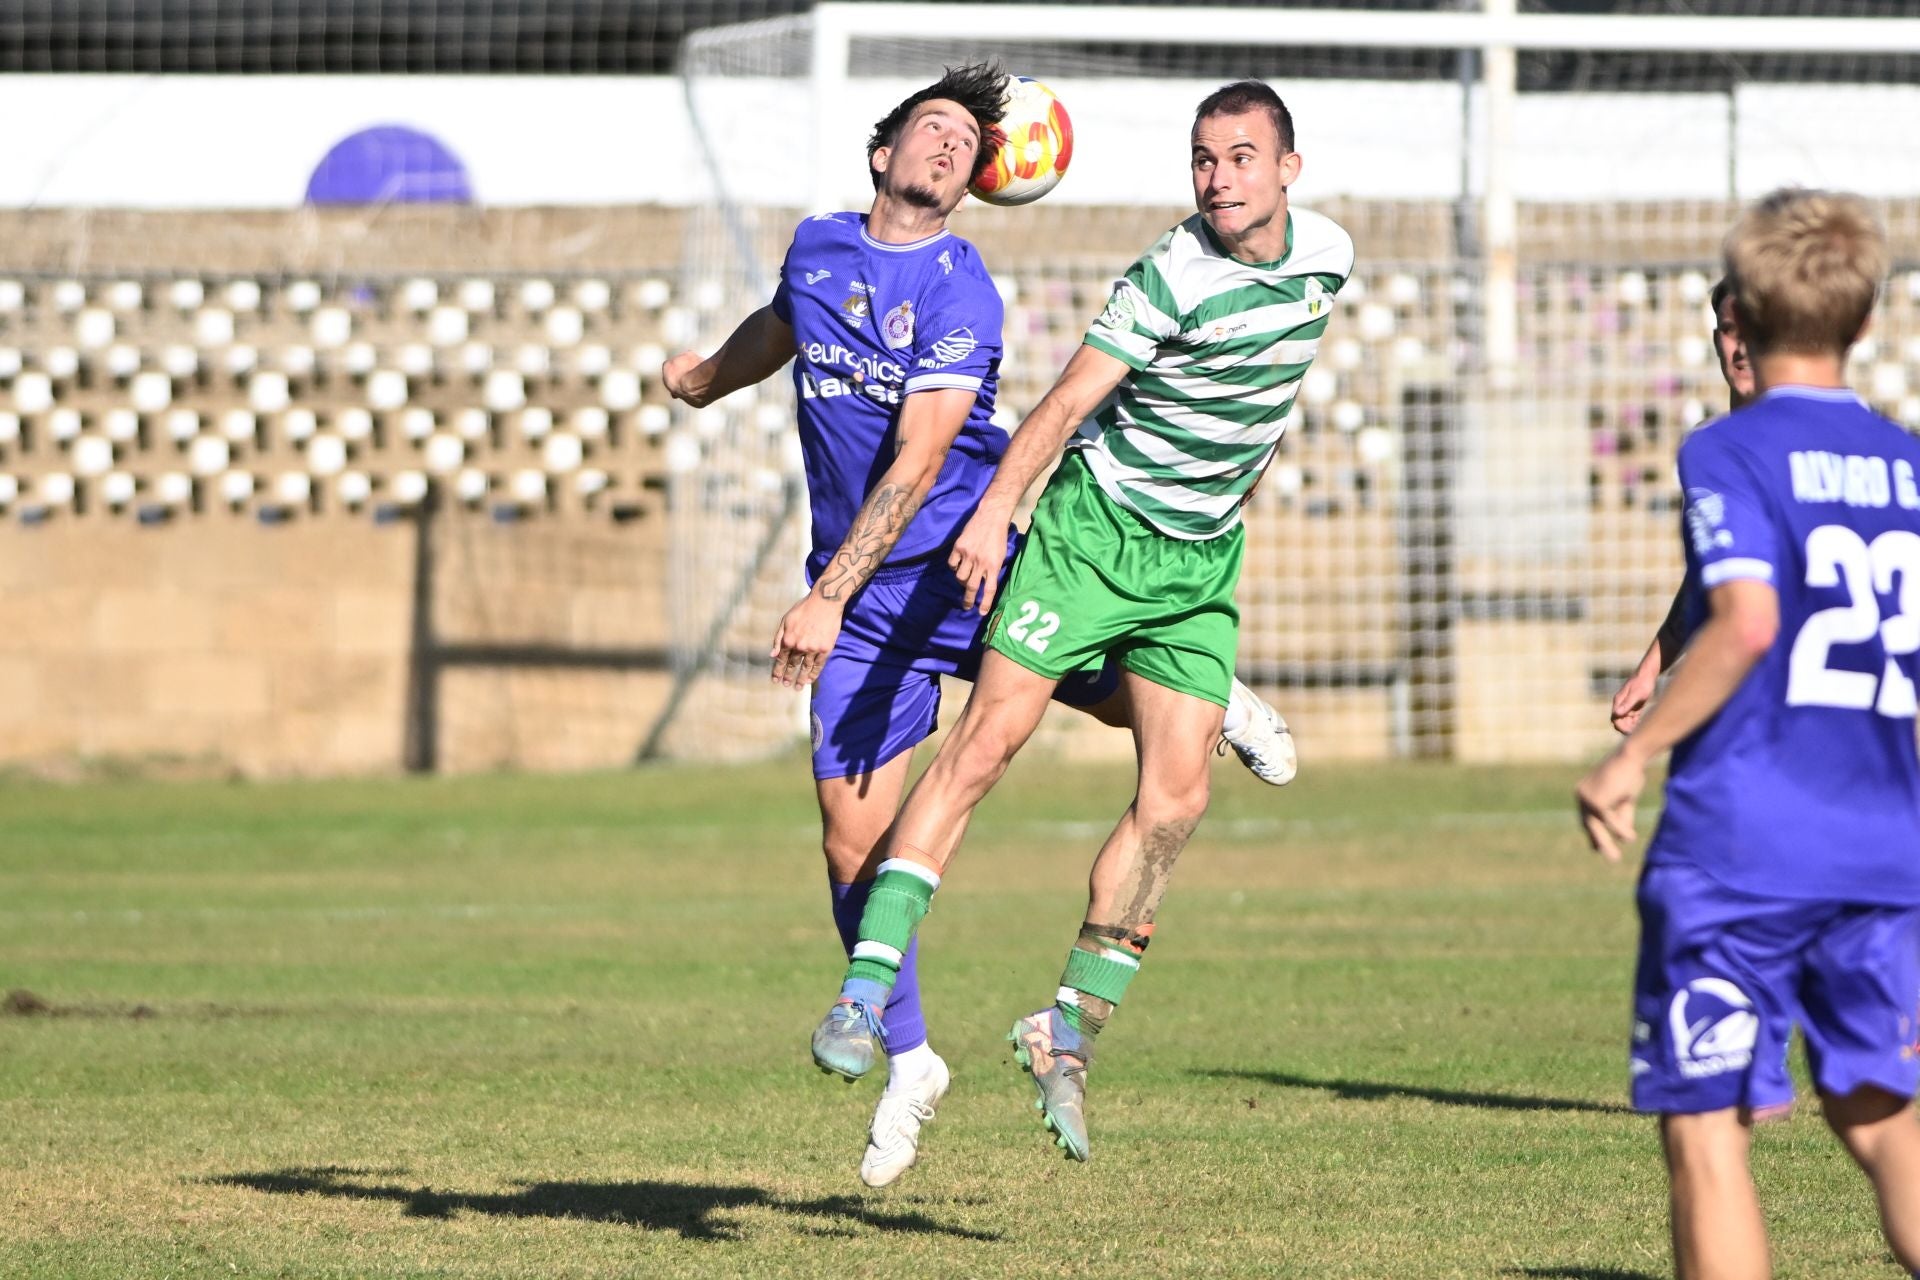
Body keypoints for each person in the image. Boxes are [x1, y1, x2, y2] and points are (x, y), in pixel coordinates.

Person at [662, 65, 1295, 1188]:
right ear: (883, 155)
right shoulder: (817, 243)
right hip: (860, 606)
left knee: (1046, 692)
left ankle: (1212, 692)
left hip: (962, 560)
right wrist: (711, 377)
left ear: (986, 182)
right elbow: (786, 322)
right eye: (932, 128)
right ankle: (909, 1058)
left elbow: (915, 463)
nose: (950, 146)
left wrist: (827, 591)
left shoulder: (962, 288)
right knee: (850, 843)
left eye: (968, 140)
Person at [809, 79, 1352, 1164]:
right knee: (986, 744)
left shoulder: (1328, 259)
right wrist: (1002, 507)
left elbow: (1266, 399)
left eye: (1242, 157)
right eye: (1204, 158)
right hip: (1094, 536)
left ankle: (1065, 1027)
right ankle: (866, 994)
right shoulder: (1165, 278)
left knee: (1177, 800)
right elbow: (1062, 404)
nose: (1219, 178)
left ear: (1290, 168)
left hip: (1197, 565)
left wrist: (1229, 491)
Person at [1575, 188, 1920, 1280]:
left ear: (1745, 317)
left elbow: (1749, 619)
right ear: (1861, 323)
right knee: (1879, 1115)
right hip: (1885, 848)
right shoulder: (1907, 465)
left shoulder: (1730, 449)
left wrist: (1633, 751)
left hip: (1744, 849)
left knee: (1709, 1131)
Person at [1610, 277, 1756, 734]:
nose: (1742, 349)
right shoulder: (1712, 454)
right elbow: (1710, 577)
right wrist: (1650, 668)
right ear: (1717, 341)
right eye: (1732, 331)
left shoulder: (1814, 446)